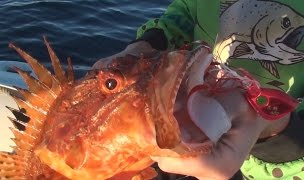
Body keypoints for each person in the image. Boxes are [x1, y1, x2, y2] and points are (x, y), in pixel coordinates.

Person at [93, 0, 304, 179]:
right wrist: (148, 44)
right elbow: (187, 11)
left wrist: (265, 125)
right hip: (182, 129)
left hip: (277, 155)